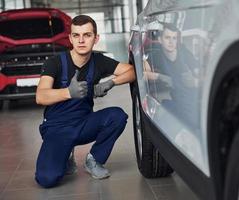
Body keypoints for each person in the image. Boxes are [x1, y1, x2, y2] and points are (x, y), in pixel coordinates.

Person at [35, 15, 135, 188]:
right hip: (57, 128)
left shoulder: (99, 61)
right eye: (76, 35)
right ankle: (66, 154)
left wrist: (110, 83)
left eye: (87, 35)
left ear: (96, 39)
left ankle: (94, 159)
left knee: (117, 116)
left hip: (83, 124)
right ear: (70, 38)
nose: (81, 40)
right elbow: (41, 96)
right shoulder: (55, 63)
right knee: (47, 179)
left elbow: (132, 71)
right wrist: (68, 92)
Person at [144, 22, 200, 129]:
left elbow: (200, 72)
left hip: (190, 97)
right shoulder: (156, 55)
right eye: (167, 37)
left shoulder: (184, 53)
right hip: (173, 100)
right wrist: (160, 76)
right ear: (160, 40)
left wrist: (194, 81)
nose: (171, 42)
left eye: (174, 38)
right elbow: (143, 73)